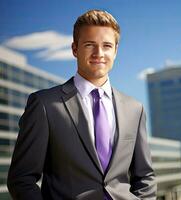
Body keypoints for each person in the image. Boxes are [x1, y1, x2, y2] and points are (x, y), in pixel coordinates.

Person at [7, 9, 156, 200]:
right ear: (74, 49)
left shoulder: (135, 109)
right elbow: (21, 179)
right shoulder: (44, 105)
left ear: (116, 51)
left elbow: (145, 177)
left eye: (107, 46)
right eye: (89, 45)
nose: (99, 53)